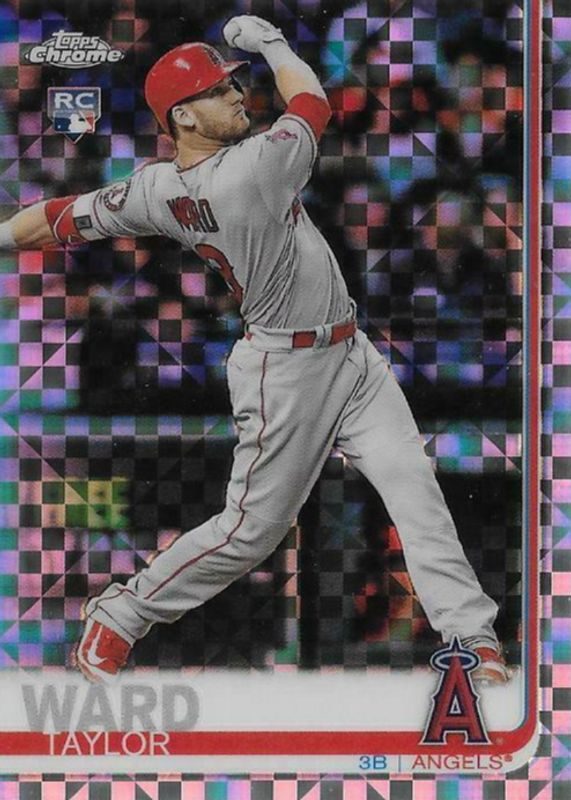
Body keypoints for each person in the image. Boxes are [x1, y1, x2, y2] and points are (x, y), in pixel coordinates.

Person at [0, 15, 509, 686]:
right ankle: (122, 614)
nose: (237, 94)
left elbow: (57, 218)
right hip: (284, 370)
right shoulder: (251, 170)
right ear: (182, 115)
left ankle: (471, 640)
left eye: (233, 83)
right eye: (218, 90)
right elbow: (311, 102)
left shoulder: (156, 188)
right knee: (249, 533)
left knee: (413, 488)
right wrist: (271, 44)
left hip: (349, 353)